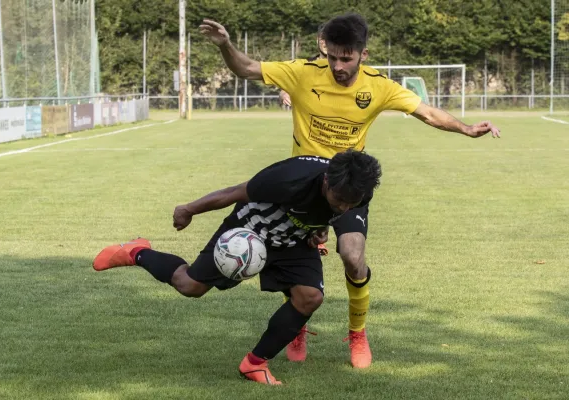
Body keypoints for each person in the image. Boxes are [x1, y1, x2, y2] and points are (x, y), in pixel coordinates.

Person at [199, 13, 501, 368]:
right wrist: (225, 46)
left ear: (363, 54)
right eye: (333, 57)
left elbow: (427, 113)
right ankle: (296, 325)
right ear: (324, 50)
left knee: (353, 256)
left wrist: (466, 129)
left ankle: (357, 331)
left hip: (347, 187)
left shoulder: (378, 87)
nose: (339, 65)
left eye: (347, 58)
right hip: (303, 190)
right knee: (297, 266)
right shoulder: (302, 74)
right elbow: (247, 68)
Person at [93, 149, 382, 385]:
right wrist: (188, 209)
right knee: (190, 286)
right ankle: (137, 252)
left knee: (310, 297)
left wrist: (320, 230)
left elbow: (335, 216)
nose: (344, 207)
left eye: (351, 203)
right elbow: (235, 192)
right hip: (251, 231)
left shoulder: (358, 192)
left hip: (293, 240)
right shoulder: (290, 178)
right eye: (339, 200)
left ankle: (254, 364)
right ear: (326, 182)